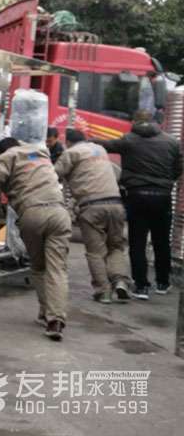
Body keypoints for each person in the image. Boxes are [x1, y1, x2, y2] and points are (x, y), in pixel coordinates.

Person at [0, 137, 71, 341]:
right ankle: (56, 320)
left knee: (39, 268)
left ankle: (46, 313)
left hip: (33, 213)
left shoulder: (8, 156)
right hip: (60, 213)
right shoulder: (40, 154)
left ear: (0, 151)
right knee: (57, 269)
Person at [93, 109, 183, 299]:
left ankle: (141, 286)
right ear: (155, 122)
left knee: (137, 242)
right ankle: (162, 283)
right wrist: (166, 183)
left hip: (136, 196)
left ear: (134, 122)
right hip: (162, 197)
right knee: (161, 241)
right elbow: (178, 168)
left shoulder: (129, 140)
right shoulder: (171, 142)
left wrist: (87, 140)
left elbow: (106, 145)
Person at [54, 129, 131, 303]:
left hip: (92, 206)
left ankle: (103, 291)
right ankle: (120, 281)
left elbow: (53, 175)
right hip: (116, 205)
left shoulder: (71, 153)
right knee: (116, 247)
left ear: (68, 142)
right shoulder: (100, 150)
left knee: (95, 252)